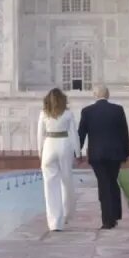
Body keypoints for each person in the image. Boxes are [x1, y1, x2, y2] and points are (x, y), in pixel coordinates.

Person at [78, 85, 129, 230]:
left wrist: (77, 152)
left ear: (95, 95)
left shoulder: (87, 111)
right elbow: (124, 133)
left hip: (97, 155)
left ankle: (108, 220)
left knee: (104, 184)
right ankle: (115, 215)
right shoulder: (117, 110)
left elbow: (81, 134)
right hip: (115, 154)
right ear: (108, 95)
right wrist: (125, 153)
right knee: (112, 181)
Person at [37, 87, 78, 232]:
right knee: (66, 181)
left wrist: (40, 152)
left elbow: (40, 135)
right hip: (64, 145)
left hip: (49, 145)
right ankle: (66, 214)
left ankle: (54, 223)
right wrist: (78, 153)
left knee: (50, 186)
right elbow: (74, 135)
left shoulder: (43, 114)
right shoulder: (68, 114)